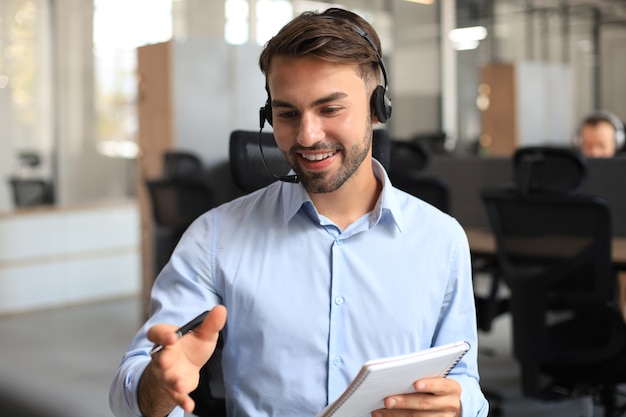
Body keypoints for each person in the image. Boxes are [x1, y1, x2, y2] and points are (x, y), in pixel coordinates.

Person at [110, 7, 488, 417]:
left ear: (378, 108)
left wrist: (458, 404)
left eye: (330, 109)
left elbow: (465, 380)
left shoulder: (441, 239)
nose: (307, 135)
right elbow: (129, 393)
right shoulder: (215, 236)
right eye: (288, 113)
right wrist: (161, 385)